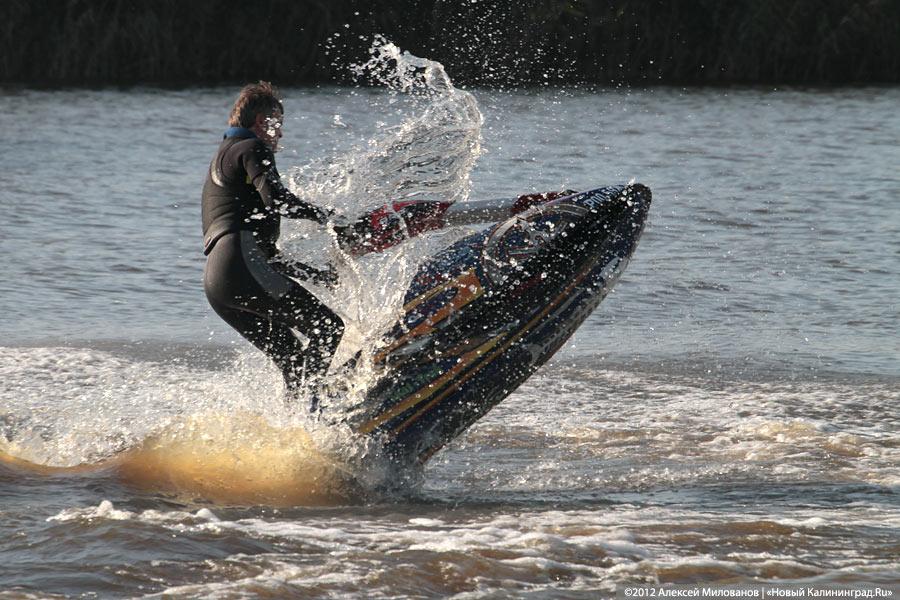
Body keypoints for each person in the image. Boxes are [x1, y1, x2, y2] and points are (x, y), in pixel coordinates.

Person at [201, 82, 344, 404]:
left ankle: (297, 423)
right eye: (277, 125)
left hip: (219, 283)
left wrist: (317, 275)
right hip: (240, 266)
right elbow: (278, 200)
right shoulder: (251, 149)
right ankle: (314, 409)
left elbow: (266, 258)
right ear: (260, 123)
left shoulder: (225, 156)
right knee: (328, 327)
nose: (280, 135)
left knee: (292, 359)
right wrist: (331, 218)